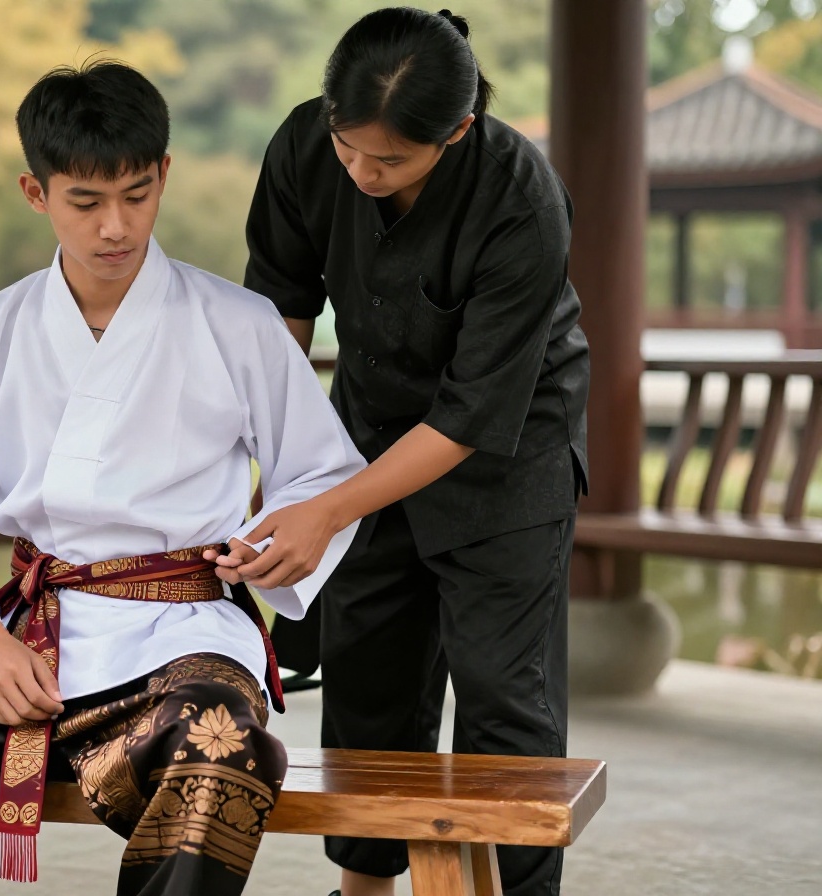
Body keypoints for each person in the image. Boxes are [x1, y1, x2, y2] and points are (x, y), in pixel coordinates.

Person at [0, 60, 368, 896]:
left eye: (137, 195)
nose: (116, 227)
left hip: (180, 632)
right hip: (24, 637)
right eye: (86, 202)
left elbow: (317, 474)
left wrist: (281, 538)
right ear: (37, 192)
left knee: (221, 740)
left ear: (164, 174)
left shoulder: (237, 326)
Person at [230, 9, 590, 896]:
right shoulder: (308, 147)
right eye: (349, 148)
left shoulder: (522, 200)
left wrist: (329, 508)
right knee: (368, 678)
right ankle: (363, 891)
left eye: (388, 162)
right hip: (364, 430)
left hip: (511, 450)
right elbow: (279, 314)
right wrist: (285, 471)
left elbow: (471, 415)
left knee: (507, 701)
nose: (361, 173)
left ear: (458, 130)